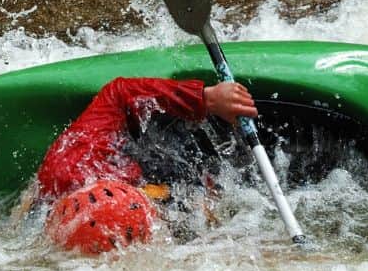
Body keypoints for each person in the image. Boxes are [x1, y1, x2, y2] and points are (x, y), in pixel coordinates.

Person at [29, 77, 258, 253]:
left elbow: (119, 92)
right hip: (134, 196)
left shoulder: (76, 158)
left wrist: (204, 98)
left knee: (196, 203)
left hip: (144, 156)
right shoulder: (60, 226)